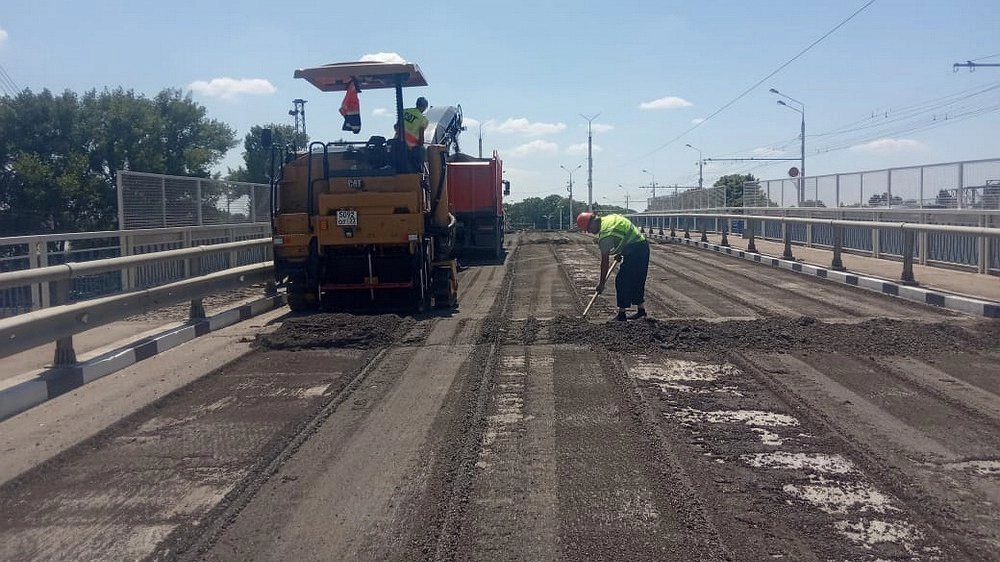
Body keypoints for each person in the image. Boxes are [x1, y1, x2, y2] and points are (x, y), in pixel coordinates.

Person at [577, 211, 650, 321]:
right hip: (642, 245)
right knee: (637, 279)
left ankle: (622, 314)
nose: (590, 232)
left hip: (635, 249)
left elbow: (605, 262)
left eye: (588, 229)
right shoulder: (609, 219)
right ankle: (641, 311)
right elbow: (624, 234)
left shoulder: (606, 234)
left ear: (592, 223)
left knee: (622, 280)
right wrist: (621, 252)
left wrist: (601, 284)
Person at [401, 96, 429, 172]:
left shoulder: (404, 111)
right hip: (410, 147)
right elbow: (421, 140)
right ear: (424, 107)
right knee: (423, 152)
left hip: (397, 143)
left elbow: (396, 126)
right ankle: (422, 175)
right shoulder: (423, 120)